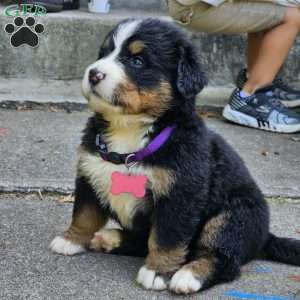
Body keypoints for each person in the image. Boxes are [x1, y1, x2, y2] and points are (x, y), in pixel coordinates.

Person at [167, 0, 300, 133]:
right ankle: (251, 96)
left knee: (273, 11)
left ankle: (255, 78)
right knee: (293, 16)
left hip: (194, 5)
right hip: (195, 7)